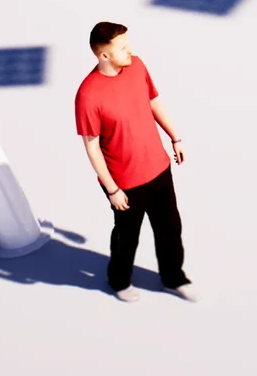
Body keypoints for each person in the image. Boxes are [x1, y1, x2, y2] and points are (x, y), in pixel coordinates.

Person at [75, 21, 196, 303]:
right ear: (104, 55)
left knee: (170, 229)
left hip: (158, 168)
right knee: (126, 237)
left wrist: (175, 137)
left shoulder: (137, 66)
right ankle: (119, 281)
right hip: (124, 183)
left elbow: (154, 102)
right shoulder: (88, 95)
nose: (131, 51)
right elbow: (92, 148)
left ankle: (173, 278)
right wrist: (113, 189)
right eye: (123, 47)